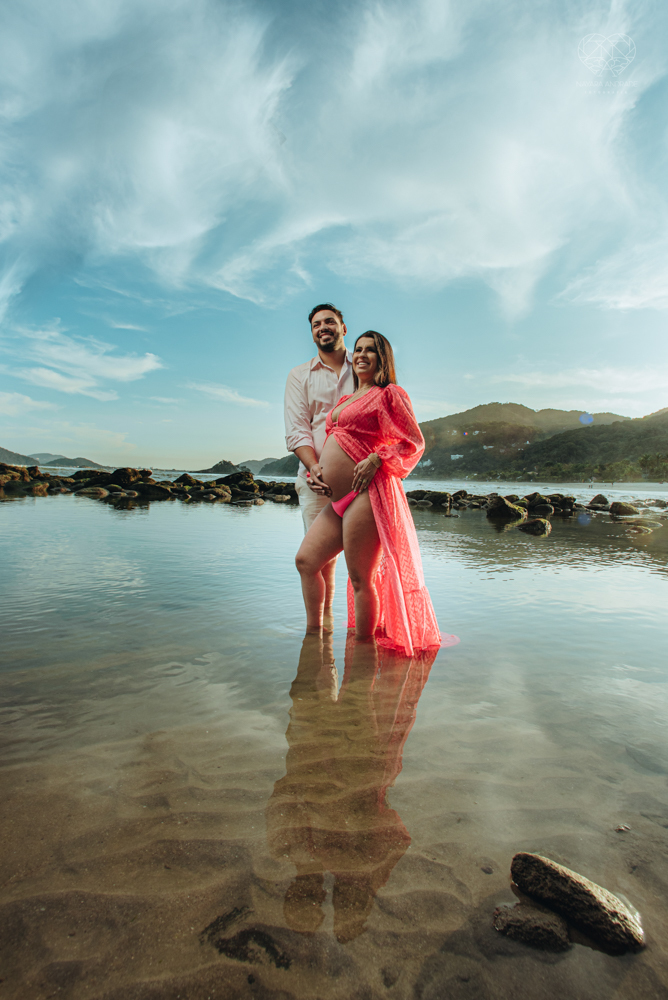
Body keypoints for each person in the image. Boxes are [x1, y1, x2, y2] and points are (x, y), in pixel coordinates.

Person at [295, 330, 457, 655]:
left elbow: (413, 442)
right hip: (337, 499)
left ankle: (363, 653)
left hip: (366, 495)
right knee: (305, 561)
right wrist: (318, 473)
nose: (361, 355)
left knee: (359, 579)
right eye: (357, 350)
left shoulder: (390, 394)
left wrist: (376, 457)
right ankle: (313, 641)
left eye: (370, 350)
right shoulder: (346, 399)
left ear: (382, 358)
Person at [284, 304, 355, 622]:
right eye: (316, 324)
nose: (322, 327)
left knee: (358, 563)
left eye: (329, 322)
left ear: (343, 328)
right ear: (311, 333)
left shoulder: (364, 367)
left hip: (360, 484)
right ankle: (319, 636)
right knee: (318, 560)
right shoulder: (300, 375)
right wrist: (313, 467)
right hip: (314, 482)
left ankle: (359, 634)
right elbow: (297, 428)